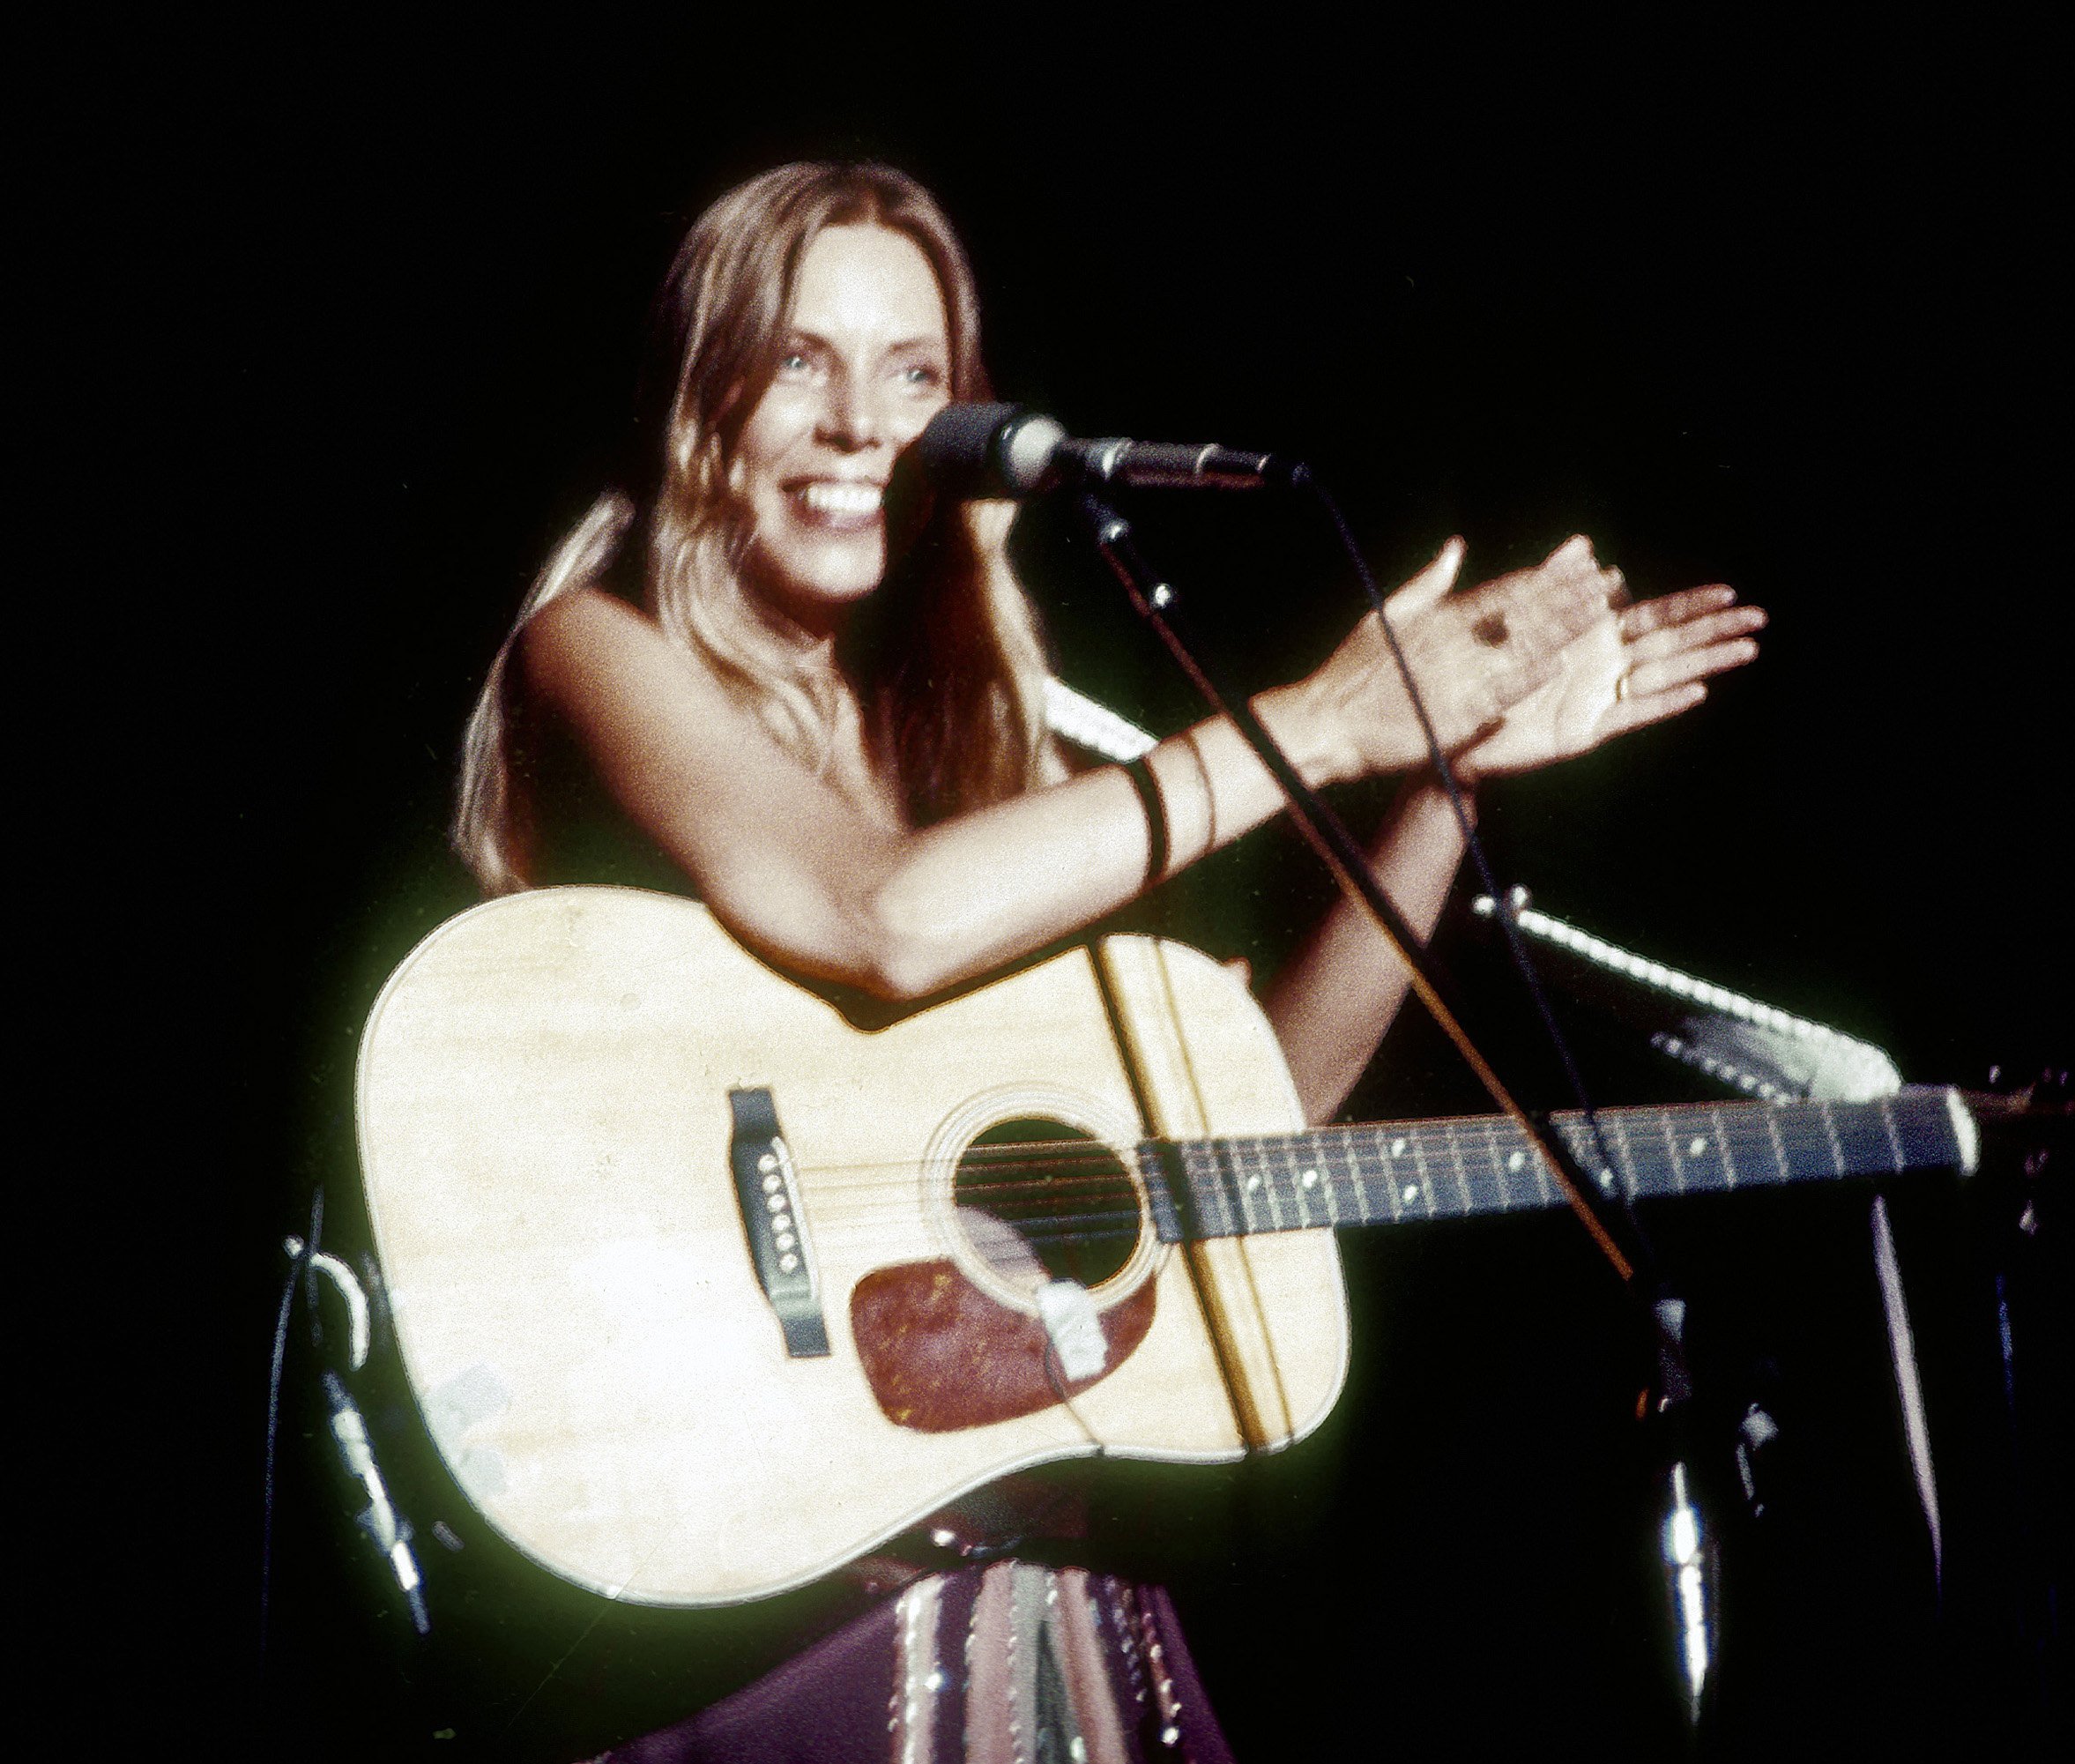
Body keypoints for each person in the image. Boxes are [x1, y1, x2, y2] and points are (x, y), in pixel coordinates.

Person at [452, 160, 1764, 1762]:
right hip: (739, 1628)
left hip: (1035, 1608)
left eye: (916, 372)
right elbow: (884, 916)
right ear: (701, 393)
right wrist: (1316, 723)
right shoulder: (594, 648)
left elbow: (1254, 1108)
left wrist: (1443, 782)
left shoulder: (998, 753)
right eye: (802, 358)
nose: (866, 420)